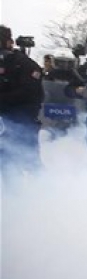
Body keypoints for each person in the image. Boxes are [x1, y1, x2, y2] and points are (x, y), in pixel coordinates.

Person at [0, 25, 44, 174]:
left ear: (9, 42)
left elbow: (30, 91)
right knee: (6, 164)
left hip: (22, 121)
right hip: (3, 123)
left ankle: (45, 192)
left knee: (30, 162)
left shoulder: (23, 63)